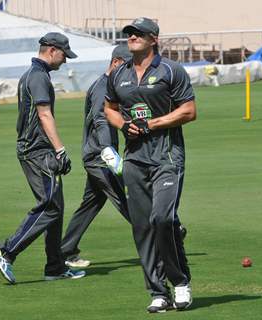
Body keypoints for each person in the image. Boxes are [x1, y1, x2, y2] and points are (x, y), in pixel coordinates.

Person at [104, 17, 196, 313]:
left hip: (167, 156)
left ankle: (180, 282)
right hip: (134, 159)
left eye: (138, 34)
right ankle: (158, 292)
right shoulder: (119, 74)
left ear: (154, 38)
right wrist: (124, 125)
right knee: (142, 226)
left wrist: (153, 124)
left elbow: (189, 110)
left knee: (163, 219)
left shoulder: (171, 70)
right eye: (129, 34)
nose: (132, 37)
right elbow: (109, 109)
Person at [0, 32, 85, 284]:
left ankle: (54, 267)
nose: (65, 61)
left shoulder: (31, 75)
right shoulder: (39, 77)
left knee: (56, 206)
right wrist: (60, 149)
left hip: (34, 149)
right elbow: (44, 115)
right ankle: (7, 251)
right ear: (52, 50)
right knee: (50, 207)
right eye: (64, 55)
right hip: (37, 151)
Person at [61, 45, 132, 268]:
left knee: (90, 204)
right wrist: (107, 150)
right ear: (117, 62)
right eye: (129, 66)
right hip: (100, 157)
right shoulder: (103, 87)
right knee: (126, 199)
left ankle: (65, 251)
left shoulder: (111, 86)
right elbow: (101, 119)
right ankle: (163, 237)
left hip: (98, 155)